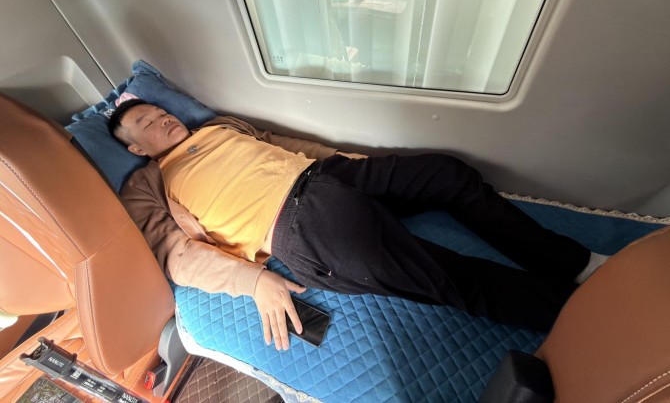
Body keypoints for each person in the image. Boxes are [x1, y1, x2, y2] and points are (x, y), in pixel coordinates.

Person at [111, 98, 607, 351]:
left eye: (161, 111)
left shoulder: (220, 126)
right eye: (147, 123)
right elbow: (177, 255)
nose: (163, 119)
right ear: (135, 147)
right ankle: (593, 312)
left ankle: (576, 263)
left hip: (329, 175)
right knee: (443, 276)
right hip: (296, 223)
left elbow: (285, 145)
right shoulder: (147, 184)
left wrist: (358, 165)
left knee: (446, 173)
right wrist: (252, 281)